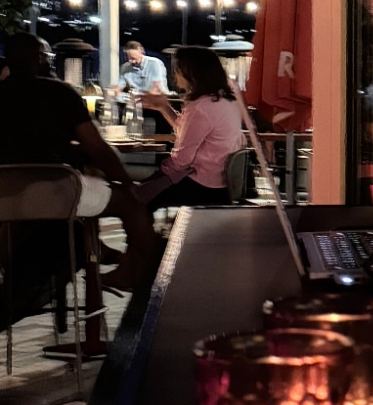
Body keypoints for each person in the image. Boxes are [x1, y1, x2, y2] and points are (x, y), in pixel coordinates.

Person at [0, 32, 162, 292]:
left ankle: (94, 248)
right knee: (132, 202)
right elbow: (97, 147)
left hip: (5, 198)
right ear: (40, 58)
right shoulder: (59, 93)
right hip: (56, 193)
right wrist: (125, 181)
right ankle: (147, 272)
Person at [135, 47, 242, 211]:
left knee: (136, 199)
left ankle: (146, 237)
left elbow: (181, 161)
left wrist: (155, 176)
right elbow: (190, 131)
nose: (174, 74)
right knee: (144, 191)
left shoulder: (200, 107)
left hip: (201, 185)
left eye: (178, 69)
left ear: (192, 73)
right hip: (222, 184)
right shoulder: (226, 100)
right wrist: (164, 107)